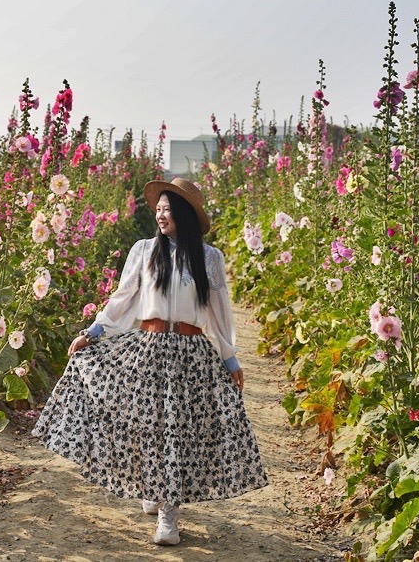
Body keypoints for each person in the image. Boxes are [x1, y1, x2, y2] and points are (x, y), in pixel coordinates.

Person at [32, 177, 269, 546]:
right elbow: (123, 298)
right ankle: (152, 487)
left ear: (184, 214)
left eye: (167, 209)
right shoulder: (144, 250)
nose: (160, 215)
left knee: (178, 432)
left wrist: (230, 358)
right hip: (148, 347)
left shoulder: (209, 258)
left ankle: (169, 515)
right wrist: (93, 333)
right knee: (147, 425)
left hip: (191, 355)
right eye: (157, 209)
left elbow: (220, 314)